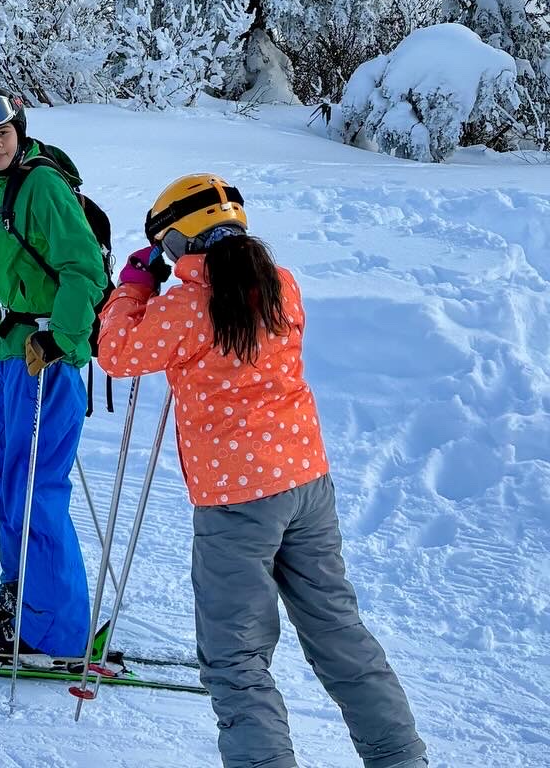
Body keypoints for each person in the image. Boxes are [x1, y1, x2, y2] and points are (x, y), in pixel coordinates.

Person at [96, 174, 428, 768]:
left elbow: (117, 354)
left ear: (178, 242)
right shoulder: (283, 285)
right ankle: (400, 759)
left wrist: (134, 286)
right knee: (339, 634)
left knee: (236, 660)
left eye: (167, 245)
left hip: (235, 502)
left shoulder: (186, 305)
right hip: (305, 483)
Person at [0, 87, 108, 664]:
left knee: (36, 489)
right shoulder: (3, 189)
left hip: (46, 357)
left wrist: (60, 340)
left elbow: (83, 269)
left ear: (19, 132)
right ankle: (25, 593)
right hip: (14, 352)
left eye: (2, 133)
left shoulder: (40, 185)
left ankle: (52, 630)